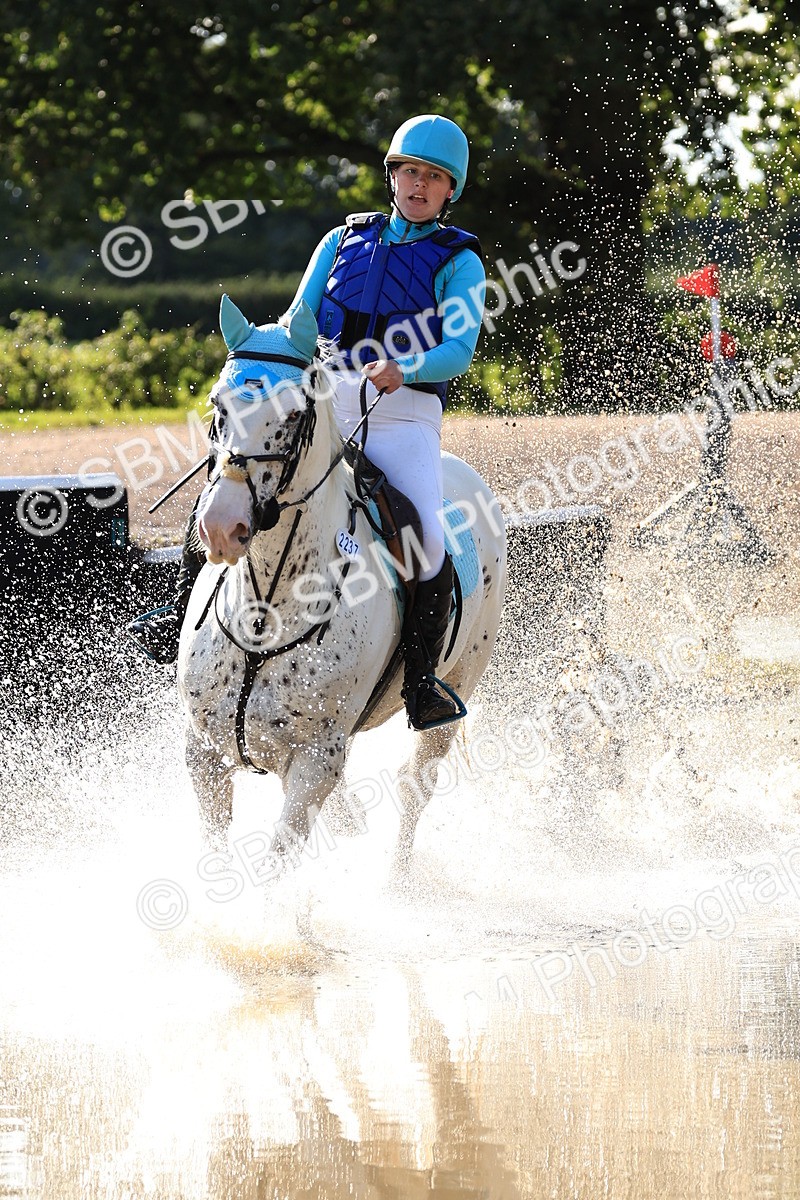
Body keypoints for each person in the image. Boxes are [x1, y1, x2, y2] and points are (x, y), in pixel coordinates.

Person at [128, 113, 486, 731]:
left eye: (432, 177)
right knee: (223, 501)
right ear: (392, 176)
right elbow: (300, 321)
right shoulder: (343, 241)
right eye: (408, 171)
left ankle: (422, 680)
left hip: (403, 415)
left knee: (425, 541)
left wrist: (405, 366)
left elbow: (459, 349)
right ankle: (183, 640)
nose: (418, 185)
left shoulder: (460, 261)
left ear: (449, 189)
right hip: (324, 402)